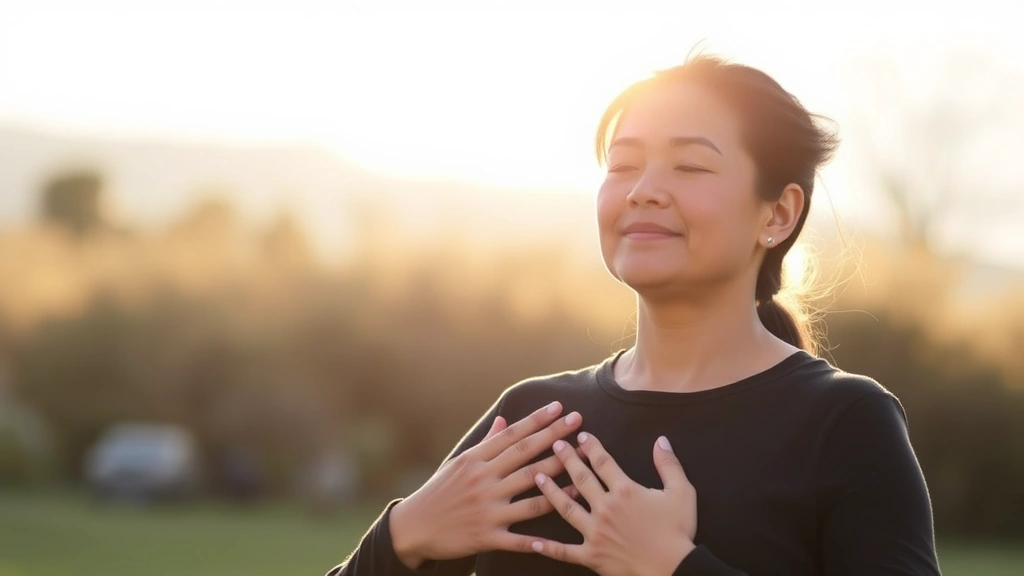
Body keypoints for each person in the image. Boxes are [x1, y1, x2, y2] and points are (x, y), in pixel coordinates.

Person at [326, 54, 942, 576]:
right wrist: (403, 535)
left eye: (690, 165)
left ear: (777, 214)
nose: (643, 188)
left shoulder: (845, 425)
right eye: (622, 165)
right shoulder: (533, 422)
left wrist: (673, 566)